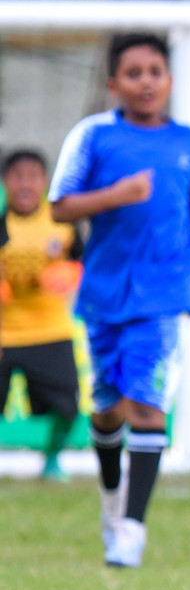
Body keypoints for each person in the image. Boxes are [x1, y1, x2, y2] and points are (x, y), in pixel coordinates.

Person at [50, 33, 190, 568]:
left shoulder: (189, 142)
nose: (146, 81)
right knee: (107, 410)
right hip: (104, 296)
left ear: (169, 81)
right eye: (134, 72)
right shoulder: (94, 137)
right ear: (114, 84)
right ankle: (110, 498)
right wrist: (115, 196)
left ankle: (132, 528)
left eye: (155, 71)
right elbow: (60, 208)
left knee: (148, 404)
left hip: (165, 296)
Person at [0, 150, 84, 480]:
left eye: (32, 176)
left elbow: (83, 259)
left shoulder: (61, 222)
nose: (25, 184)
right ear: (6, 182)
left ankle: (51, 460)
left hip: (50, 330)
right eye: (17, 176)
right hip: (4, 332)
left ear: (44, 182)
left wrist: (71, 271)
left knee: (66, 407)